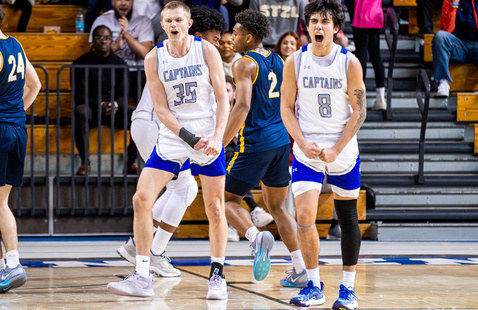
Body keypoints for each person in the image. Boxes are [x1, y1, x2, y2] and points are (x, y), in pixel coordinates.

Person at [107, 1, 229, 299]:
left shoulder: (206, 50)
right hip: (175, 135)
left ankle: (217, 276)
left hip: (207, 130)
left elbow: (224, 99)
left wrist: (217, 137)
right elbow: (160, 109)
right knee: (141, 199)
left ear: (188, 24)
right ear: (163, 25)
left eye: (178, 19)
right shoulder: (154, 58)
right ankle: (142, 275)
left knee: (214, 207)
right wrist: (187, 137)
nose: (173, 24)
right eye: (167, 20)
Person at [281, 0, 364, 309]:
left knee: (347, 216)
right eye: (314, 20)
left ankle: (348, 288)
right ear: (307, 26)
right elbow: (286, 109)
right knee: (303, 216)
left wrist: (337, 148)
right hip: (307, 149)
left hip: (342, 148)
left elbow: (359, 112)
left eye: (325, 21)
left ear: (336, 28)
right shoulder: (295, 61)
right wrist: (301, 143)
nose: (318, 26)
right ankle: (314, 285)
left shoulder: (349, 62)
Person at [224, 9, 307, 287]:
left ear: (248, 37)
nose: (231, 38)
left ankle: (255, 236)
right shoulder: (279, 61)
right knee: (279, 207)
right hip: (282, 142)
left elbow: (243, 105)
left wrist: (220, 141)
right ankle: (300, 268)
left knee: (225, 202)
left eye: (235, 33)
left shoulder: (243, 64)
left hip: (256, 143)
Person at [0, 5, 41, 293]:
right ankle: (10, 262)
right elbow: (35, 84)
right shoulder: (15, 44)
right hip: (16, 128)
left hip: (1, 129)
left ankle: (13, 264)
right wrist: (17, 112)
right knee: (1, 202)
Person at [73, 25, 138, 175]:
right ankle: (85, 162)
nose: (103, 41)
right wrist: (101, 105)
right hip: (92, 109)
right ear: (92, 41)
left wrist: (114, 105)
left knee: (137, 115)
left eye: (107, 38)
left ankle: (130, 162)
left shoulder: (120, 64)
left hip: (115, 109)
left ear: (111, 40)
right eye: (99, 38)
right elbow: (79, 95)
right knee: (80, 111)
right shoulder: (80, 63)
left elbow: (123, 93)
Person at [89, 0, 154, 101]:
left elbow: (146, 54)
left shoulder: (143, 21)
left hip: (135, 72)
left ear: (133, 2)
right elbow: (93, 53)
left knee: (147, 79)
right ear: (112, 2)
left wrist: (127, 35)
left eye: (127, 0)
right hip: (111, 71)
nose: (123, 3)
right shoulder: (101, 21)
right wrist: (115, 47)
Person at [343, 0, 385, 111]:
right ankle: (380, 97)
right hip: (375, 13)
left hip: (361, 12)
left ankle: (360, 99)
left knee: (361, 55)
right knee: (375, 54)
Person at [432, 0, 478, 97]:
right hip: (458, 45)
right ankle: (443, 82)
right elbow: (446, 30)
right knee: (440, 36)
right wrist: (454, 5)